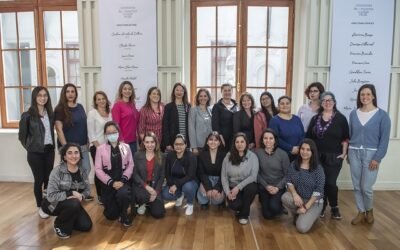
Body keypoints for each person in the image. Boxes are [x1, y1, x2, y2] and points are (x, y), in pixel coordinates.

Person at [348, 84, 391, 225]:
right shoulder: (353, 114)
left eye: (368, 94)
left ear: (373, 96)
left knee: (366, 187)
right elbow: (350, 134)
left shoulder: (382, 115)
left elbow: (384, 141)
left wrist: (377, 158)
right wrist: (348, 152)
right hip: (354, 151)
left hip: (371, 154)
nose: (365, 97)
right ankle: (361, 212)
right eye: (362, 94)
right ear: (359, 97)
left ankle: (369, 210)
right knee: (356, 185)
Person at [306, 91, 349, 219]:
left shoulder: (341, 118)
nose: (327, 102)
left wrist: (344, 153)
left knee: (330, 183)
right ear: (321, 103)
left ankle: (334, 207)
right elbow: (308, 137)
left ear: (334, 102)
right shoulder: (315, 118)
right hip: (317, 156)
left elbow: (346, 138)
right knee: (321, 182)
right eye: (324, 100)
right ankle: (322, 206)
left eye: (330, 100)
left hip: (334, 156)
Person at [41, 143, 92, 239]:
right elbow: (51, 195)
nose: (73, 156)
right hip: (52, 205)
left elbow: (87, 190)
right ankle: (59, 223)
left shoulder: (83, 171)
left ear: (80, 155)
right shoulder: (57, 171)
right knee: (74, 203)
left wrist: (82, 196)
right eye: (70, 153)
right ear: (64, 156)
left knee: (86, 226)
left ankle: (68, 217)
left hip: (73, 204)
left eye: (76, 153)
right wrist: (71, 193)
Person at [18, 86, 55, 218]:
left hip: (49, 150)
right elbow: (22, 137)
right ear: (35, 97)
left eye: (45, 95)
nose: (43, 98)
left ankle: (47, 204)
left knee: (48, 179)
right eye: (39, 95)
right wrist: (31, 148)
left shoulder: (50, 113)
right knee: (38, 180)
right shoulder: (27, 115)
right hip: (35, 153)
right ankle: (40, 206)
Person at [54, 83, 93, 200]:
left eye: (72, 91)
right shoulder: (60, 109)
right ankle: (69, 194)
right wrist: (66, 148)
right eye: (67, 91)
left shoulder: (80, 107)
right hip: (68, 147)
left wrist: (87, 140)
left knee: (86, 168)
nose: (70, 94)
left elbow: (84, 125)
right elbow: (59, 129)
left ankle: (80, 192)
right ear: (64, 94)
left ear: (75, 93)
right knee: (69, 170)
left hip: (82, 145)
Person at [281, 139, 325, 233]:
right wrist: (295, 194)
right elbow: (289, 181)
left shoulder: (318, 169)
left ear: (313, 152)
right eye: (302, 149)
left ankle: (308, 214)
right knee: (285, 197)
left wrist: (305, 207)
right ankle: (298, 214)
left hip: (313, 202)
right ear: (299, 150)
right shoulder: (294, 164)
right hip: (300, 199)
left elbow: (319, 191)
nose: (304, 152)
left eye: (308, 150)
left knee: (302, 228)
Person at [95, 121, 134, 227]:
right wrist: (111, 182)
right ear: (105, 135)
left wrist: (122, 181)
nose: (112, 134)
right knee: (111, 216)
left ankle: (124, 214)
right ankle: (117, 208)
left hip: (122, 181)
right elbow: (98, 169)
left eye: (114, 132)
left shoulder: (126, 147)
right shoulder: (100, 149)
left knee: (123, 194)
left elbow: (130, 165)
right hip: (108, 183)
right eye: (109, 133)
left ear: (118, 132)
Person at [221, 132, 259, 225]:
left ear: (246, 143)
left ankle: (244, 215)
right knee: (234, 206)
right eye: (237, 142)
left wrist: (238, 187)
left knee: (252, 187)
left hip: (246, 187)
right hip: (232, 187)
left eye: (242, 141)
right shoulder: (228, 156)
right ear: (234, 144)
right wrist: (227, 192)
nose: (239, 144)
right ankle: (243, 207)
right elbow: (224, 176)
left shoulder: (253, 156)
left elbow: (253, 176)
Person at [255, 128, 289, 219]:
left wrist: (278, 187)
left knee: (274, 207)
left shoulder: (283, 154)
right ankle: (266, 202)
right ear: (262, 140)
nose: (268, 141)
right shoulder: (257, 153)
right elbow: (256, 173)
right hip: (264, 186)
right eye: (265, 138)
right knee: (267, 216)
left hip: (279, 186)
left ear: (275, 140)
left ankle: (279, 205)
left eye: (271, 138)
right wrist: (266, 186)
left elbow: (288, 175)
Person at [132, 132, 166, 218]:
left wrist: (156, 192)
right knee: (143, 196)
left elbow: (162, 176)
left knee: (159, 214)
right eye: (147, 142)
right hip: (142, 185)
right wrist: (146, 187)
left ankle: (150, 202)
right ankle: (143, 203)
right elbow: (135, 174)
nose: (150, 145)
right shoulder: (137, 155)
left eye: (152, 142)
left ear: (156, 143)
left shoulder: (161, 156)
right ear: (143, 143)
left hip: (155, 186)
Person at [162, 134, 198, 216]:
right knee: (165, 194)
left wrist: (176, 185)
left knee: (187, 187)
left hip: (189, 181)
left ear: (185, 145)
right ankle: (180, 195)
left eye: (181, 144)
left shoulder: (191, 157)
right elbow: (167, 173)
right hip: (175, 182)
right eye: (176, 144)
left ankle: (190, 204)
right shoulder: (170, 155)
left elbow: (190, 175)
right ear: (173, 145)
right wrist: (171, 184)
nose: (178, 146)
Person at [87, 91, 112, 204]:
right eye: (98, 99)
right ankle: (100, 195)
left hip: (109, 147)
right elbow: (91, 134)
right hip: (97, 147)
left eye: (103, 98)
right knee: (99, 171)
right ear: (95, 101)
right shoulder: (92, 113)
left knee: (108, 171)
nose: (101, 101)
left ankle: (107, 193)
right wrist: (99, 148)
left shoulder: (109, 112)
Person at [197, 131, 227, 209]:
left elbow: (224, 174)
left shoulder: (225, 155)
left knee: (217, 199)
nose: (213, 142)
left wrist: (217, 188)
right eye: (211, 139)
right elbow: (201, 173)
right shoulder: (201, 154)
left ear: (219, 142)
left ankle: (221, 200)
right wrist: (208, 188)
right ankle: (205, 202)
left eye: (216, 140)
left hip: (220, 180)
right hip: (206, 179)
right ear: (207, 142)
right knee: (204, 194)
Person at [269, 96, 304, 161]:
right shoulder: (274, 120)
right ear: (278, 106)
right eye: (282, 104)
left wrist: (298, 147)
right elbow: (275, 138)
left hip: (299, 153)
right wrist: (291, 148)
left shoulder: (297, 119)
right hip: (283, 155)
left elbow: (302, 135)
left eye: (287, 103)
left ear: (290, 105)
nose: (285, 105)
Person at [111, 81, 140, 154]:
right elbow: (116, 125)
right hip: (123, 141)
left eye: (129, 89)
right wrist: (121, 140)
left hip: (133, 140)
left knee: (132, 164)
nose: (127, 91)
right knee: (124, 165)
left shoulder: (132, 104)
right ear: (121, 91)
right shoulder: (117, 105)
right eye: (125, 89)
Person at [162, 83, 191, 151]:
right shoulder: (168, 107)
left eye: (181, 90)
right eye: (177, 90)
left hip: (186, 142)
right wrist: (167, 143)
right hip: (173, 142)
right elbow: (165, 126)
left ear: (184, 92)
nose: (179, 92)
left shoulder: (188, 106)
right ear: (174, 92)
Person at [212, 83, 238, 150]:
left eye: (229, 90)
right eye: (225, 90)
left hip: (235, 139)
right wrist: (220, 138)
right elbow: (215, 125)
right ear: (221, 92)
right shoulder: (217, 106)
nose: (227, 92)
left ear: (232, 91)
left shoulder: (236, 105)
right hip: (222, 139)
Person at [189, 88, 213, 155]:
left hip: (210, 145)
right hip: (198, 146)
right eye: (201, 96)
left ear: (208, 98)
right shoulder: (193, 110)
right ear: (198, 98)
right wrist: (194, 147)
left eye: (205, 96)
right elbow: (191, 129)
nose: (203, 98)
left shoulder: (210, 110)